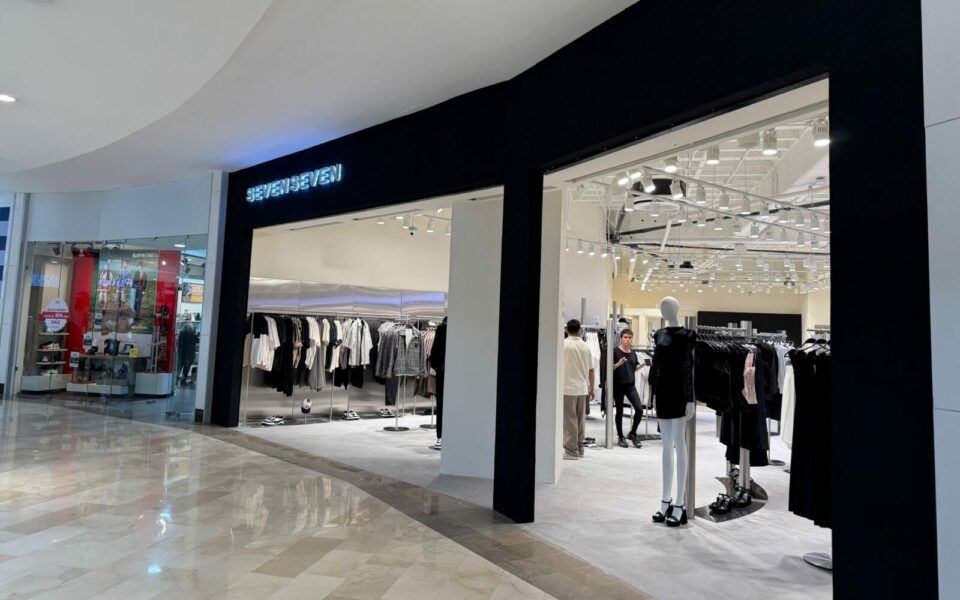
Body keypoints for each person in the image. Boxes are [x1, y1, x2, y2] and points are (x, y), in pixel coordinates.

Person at [562, 319, 594, 459]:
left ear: (566, 330)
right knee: (580, 420)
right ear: (579, 331)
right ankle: (580, 448)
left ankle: (571, 450)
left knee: (569, 420)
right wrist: (592, 388)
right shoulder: (586, 347)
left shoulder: (563, 345)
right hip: (582, 388)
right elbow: (591, 370)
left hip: (568, 387)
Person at [613, 329, 644, 448]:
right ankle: (620, 436)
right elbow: (609, 368)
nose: (627, 340)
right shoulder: (615, 351)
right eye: (625, 337)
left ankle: (632, 433)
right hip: (618, 386)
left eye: (630, 338)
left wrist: (641, 366)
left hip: (630, 386)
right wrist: (618, 364)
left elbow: (633, 368)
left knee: (639, 409)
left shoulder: (633, 353)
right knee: (619, 411)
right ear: (621, 338)